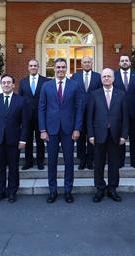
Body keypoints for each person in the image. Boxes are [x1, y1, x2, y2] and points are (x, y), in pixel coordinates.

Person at [39, 58, 83, 204]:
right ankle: (53, 191)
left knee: (69, 161)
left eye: (63, 67)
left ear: (66, 69)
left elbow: (79, 108)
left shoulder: (75, 86)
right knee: (51, 162)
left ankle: (68, 191)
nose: (60, 70)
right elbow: (42, 108)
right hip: (51, 130)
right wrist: (42, 129)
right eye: (58, 67)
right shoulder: (46, 86)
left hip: (69, 130)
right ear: (54, 68)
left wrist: (77, 128)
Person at [0, 75, 28, 203]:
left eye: (9, 82)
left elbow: (25, 123)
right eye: (4, 82)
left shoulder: (21, 101)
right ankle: (0, 192)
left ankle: (12, 192)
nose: (6, 85)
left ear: (14, 85)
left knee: (13, 168)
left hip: (14, 140)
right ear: (1, 85)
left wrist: (23, 139)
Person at [87, 68, 128, 203]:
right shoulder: (94, 94)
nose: (106, 78)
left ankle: (112, 189)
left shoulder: (121, 94)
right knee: (98, 164)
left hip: (115, 135)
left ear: (113, 78)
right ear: (101, 79)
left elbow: (125, 117)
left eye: (108, 76)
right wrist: (91, 135)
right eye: (104, 76)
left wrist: (124, 135)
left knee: (114, 164)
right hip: (99, 135)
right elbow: (90, 117)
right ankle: (100, 189)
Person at [114, 55, 135, 169]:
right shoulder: (114, 75)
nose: (124, 62)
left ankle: (134, 161)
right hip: (118, 113)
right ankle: (120, 161)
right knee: (119, 137)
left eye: (126, 60)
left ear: (130, 63)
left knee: (134, 138)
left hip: (134, 113)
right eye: (122, 61)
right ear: (119, 63)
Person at [18, 59, 50, 170]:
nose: (33, 67)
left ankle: (40, 161)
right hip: (26, 116)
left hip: (41, 116)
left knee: (40, 140)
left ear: (38, 67)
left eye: (35, 65)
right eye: (31, 65)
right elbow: (20, 99)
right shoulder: (23, 82)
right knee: (27, 139)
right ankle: (28, 161)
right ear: (28, 67)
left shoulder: (45, 81)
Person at [72, 56, 102, 170]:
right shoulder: (75, 76)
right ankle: (82, 160)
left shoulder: (98, 77)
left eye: (89, 62)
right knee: (80, 137)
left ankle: (90, 160)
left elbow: (100, 93)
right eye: (85, 62)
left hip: (94, 111)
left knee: (91, 136)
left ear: (92, 63)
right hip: (79, 112)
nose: (87, 64)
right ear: (81, 63)